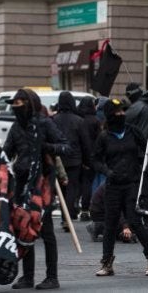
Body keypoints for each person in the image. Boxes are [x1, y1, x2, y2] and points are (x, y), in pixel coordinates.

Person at [4, 89, 70, 290]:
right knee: (24, 229)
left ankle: (52, 277)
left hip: (43, 185)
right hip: (22, 185)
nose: (17, 108)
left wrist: (47, 147)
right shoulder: (16, 127)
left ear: (30, 103)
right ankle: (28, 276)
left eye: (21, 103)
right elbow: (8, 152)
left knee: (46, 230)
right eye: (14, 104)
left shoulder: (44, 123)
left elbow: (66, 146)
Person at [93, 99, 148, 277]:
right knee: (110, 224)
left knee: (134, 221)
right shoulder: (104, 137)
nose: (122, 115)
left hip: (131, 184)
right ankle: (107, 263)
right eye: (117, 112)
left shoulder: (133, 132)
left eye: (123, 111)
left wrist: (141, 167)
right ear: (110, 115)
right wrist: (107, 172)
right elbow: (95, 160)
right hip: (113, 186)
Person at [52, 91, 91, 226]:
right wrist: (87, 161)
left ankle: (65, 216)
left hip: (58, 158)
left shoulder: (54, 119)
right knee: (72, 188)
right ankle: (67, 217)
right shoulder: (79, 120)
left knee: (62, 189)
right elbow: (85, 143)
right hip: (75, 159)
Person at [78, 96, 101, 223]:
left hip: (78, 156)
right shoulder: (95, 121)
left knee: (79, 184)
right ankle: (88, 209)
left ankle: (79, 207)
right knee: (89, 183)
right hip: (92, 156)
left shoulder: (79, 119)